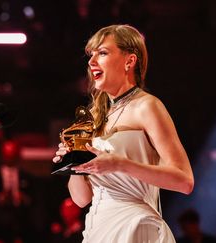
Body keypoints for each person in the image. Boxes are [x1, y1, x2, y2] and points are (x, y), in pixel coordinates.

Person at [52, 24, 194, 242]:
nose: (91, 62)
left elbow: (184, 181)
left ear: (129, 61)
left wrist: (120, 164)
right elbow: (81, 199)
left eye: (102, 53)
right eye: (91, 55)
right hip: (98, 227)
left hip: (134, 225)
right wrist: (73, 161)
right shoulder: (93, 116)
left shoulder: (147, 106)